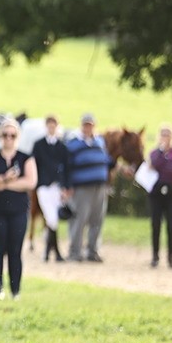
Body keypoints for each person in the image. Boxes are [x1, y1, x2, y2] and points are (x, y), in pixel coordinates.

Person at [0, 119, 37, 300]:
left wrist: (4, 184)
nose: (9, 139)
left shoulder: (25, 158)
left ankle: (15, 290)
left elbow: (31, 182)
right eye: (5, 135)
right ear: (0, 137)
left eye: (13, 135)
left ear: (17, 137)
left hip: (18, 211)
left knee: (15, 250)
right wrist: (4, 177)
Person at [63, 112, 114, 263]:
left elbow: (107, 160)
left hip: (100, 187)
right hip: (81, 188)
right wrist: (67, 186)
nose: (88, 128)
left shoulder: (99, 142)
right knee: (79, 220)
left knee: (97, 220)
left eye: (90, 125)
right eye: (86, 125)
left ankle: (92, 250)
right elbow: (66, 166)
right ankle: (74, 252)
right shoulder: (73, 144)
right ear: (81, 126)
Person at [147, 124, 172, 269]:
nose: (165, 138)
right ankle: (155, 256)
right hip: (156, 194)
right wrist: (161, 155)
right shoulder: (155, 153)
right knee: (155, 224)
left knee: (171, 226)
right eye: (162, 134)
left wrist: (159, 164)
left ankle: (171, 258)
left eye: (167, 135)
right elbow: (153, 163)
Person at [31, 114, 68, 262]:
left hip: (57, 187)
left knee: (52, 219)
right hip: (43, 185)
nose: (51, 128)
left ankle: (49, 251)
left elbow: (66, 167)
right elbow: (33, 165)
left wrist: (65, 187)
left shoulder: (62, 146)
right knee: (51, 217)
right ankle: (54, 251)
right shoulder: (38, 145)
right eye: (49, 125)